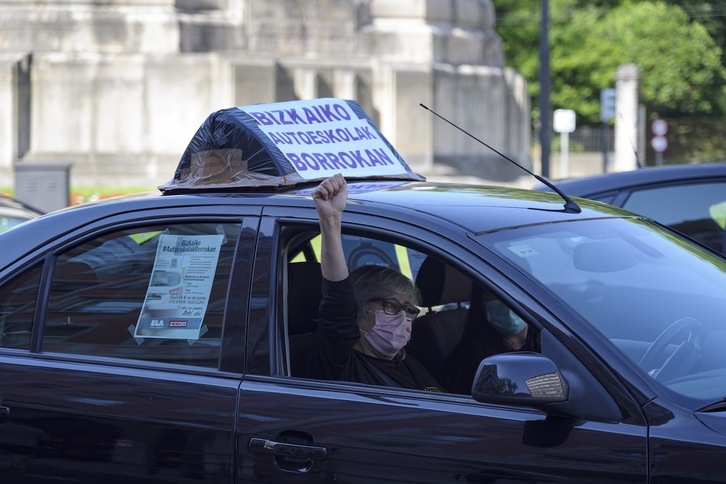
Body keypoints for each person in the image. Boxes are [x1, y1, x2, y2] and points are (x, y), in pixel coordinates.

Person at [304, 173, 444, 391]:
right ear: (358, 307)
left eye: (408, 310)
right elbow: (338, 303)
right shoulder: (340, 363)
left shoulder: (408, 363)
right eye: (389, 305)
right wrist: (330, 221)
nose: (402, 318)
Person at [443, 285, 539, 395]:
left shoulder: (549, 339)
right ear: (480, 301)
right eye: (495, 293)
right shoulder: (473, 357)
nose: (506, 300)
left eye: (513, 290)